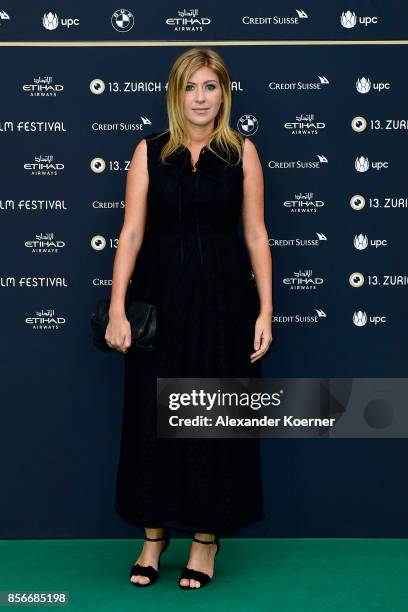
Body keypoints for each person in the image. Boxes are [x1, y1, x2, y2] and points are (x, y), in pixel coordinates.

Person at [105, 47, 273, 590]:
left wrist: (266, 309)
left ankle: (206, 541)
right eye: (190, 88)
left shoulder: (243, 152)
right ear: (176, 95)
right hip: (161, 304)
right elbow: (130, 233)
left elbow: (255, 234)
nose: (201, 98)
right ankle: (153, 538)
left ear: (224, 93)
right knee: (152, 419)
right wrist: (116, 308)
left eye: (210, 87)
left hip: (226, 306)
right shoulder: (149, 151)